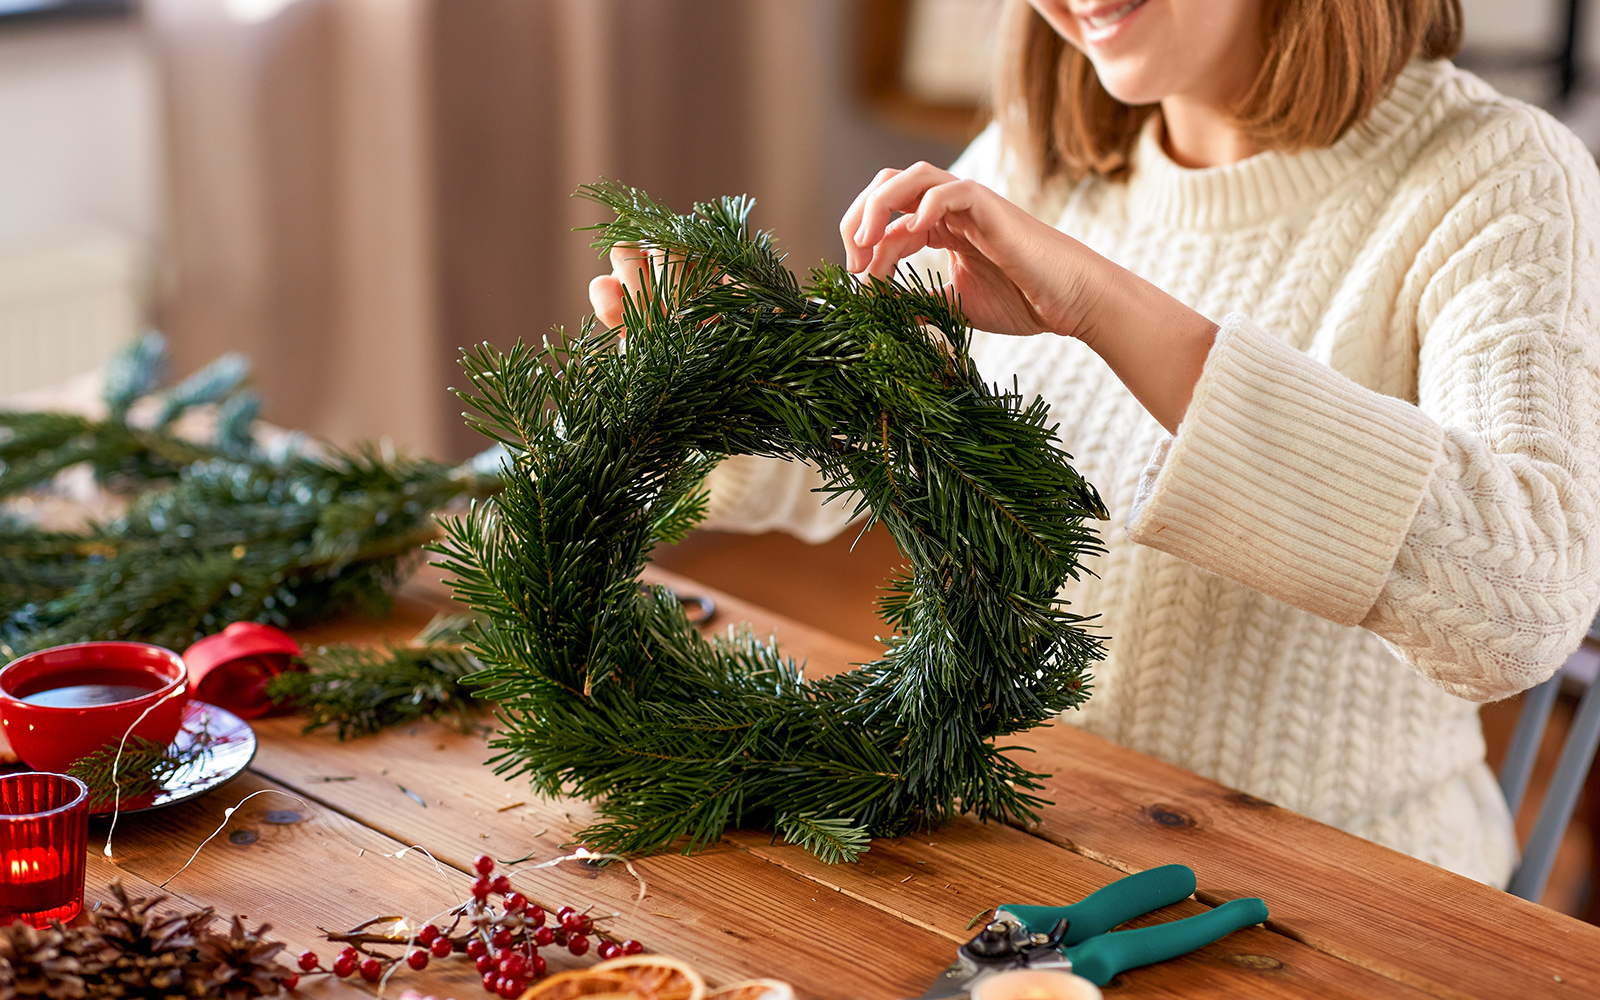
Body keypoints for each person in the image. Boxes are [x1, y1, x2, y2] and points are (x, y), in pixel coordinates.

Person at [590, 0, 1600, 888]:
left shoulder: (1497, 174)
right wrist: (724, 378)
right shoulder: (1040, 154)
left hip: (1335, 893)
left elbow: (1522, 604)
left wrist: (1106, 309)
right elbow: (877, 443)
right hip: (1031, 848)